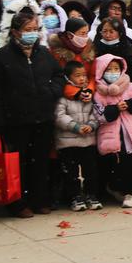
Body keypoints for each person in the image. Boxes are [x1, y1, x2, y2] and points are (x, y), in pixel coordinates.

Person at [0, 11, 63, 217]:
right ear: (15, 32)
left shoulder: (44, 53)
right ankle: (18, 203)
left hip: (43, 117)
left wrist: (51, 91)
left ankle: (40, 200)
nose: (32, 34)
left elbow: (59, 77)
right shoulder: (2, 57)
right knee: (18, 164)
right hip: (16, 121)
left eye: (35, 29)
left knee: (41, 162)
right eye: (27, 30)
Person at [93, 54, 132, 208]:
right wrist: (114, 109)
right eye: (109, 69)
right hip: (113, 136)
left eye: (116, 69)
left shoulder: (131, 86)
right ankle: (119, 190)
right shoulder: (98, 93)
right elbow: (98, 114)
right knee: (118, 165)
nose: (113, 72)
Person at [54, 61, 102, 211]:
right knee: (71, 173)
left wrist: (92, 125)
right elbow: (59, 116)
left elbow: (96, 114)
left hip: (88, 141)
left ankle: (91, 195)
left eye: (84, 75)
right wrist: (75, 126)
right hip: (68, 142)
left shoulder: (89, 94)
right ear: (68, 78)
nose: (82, 79)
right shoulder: (63, 96)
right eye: (77, 76)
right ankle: (75, 197)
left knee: (91, 171)